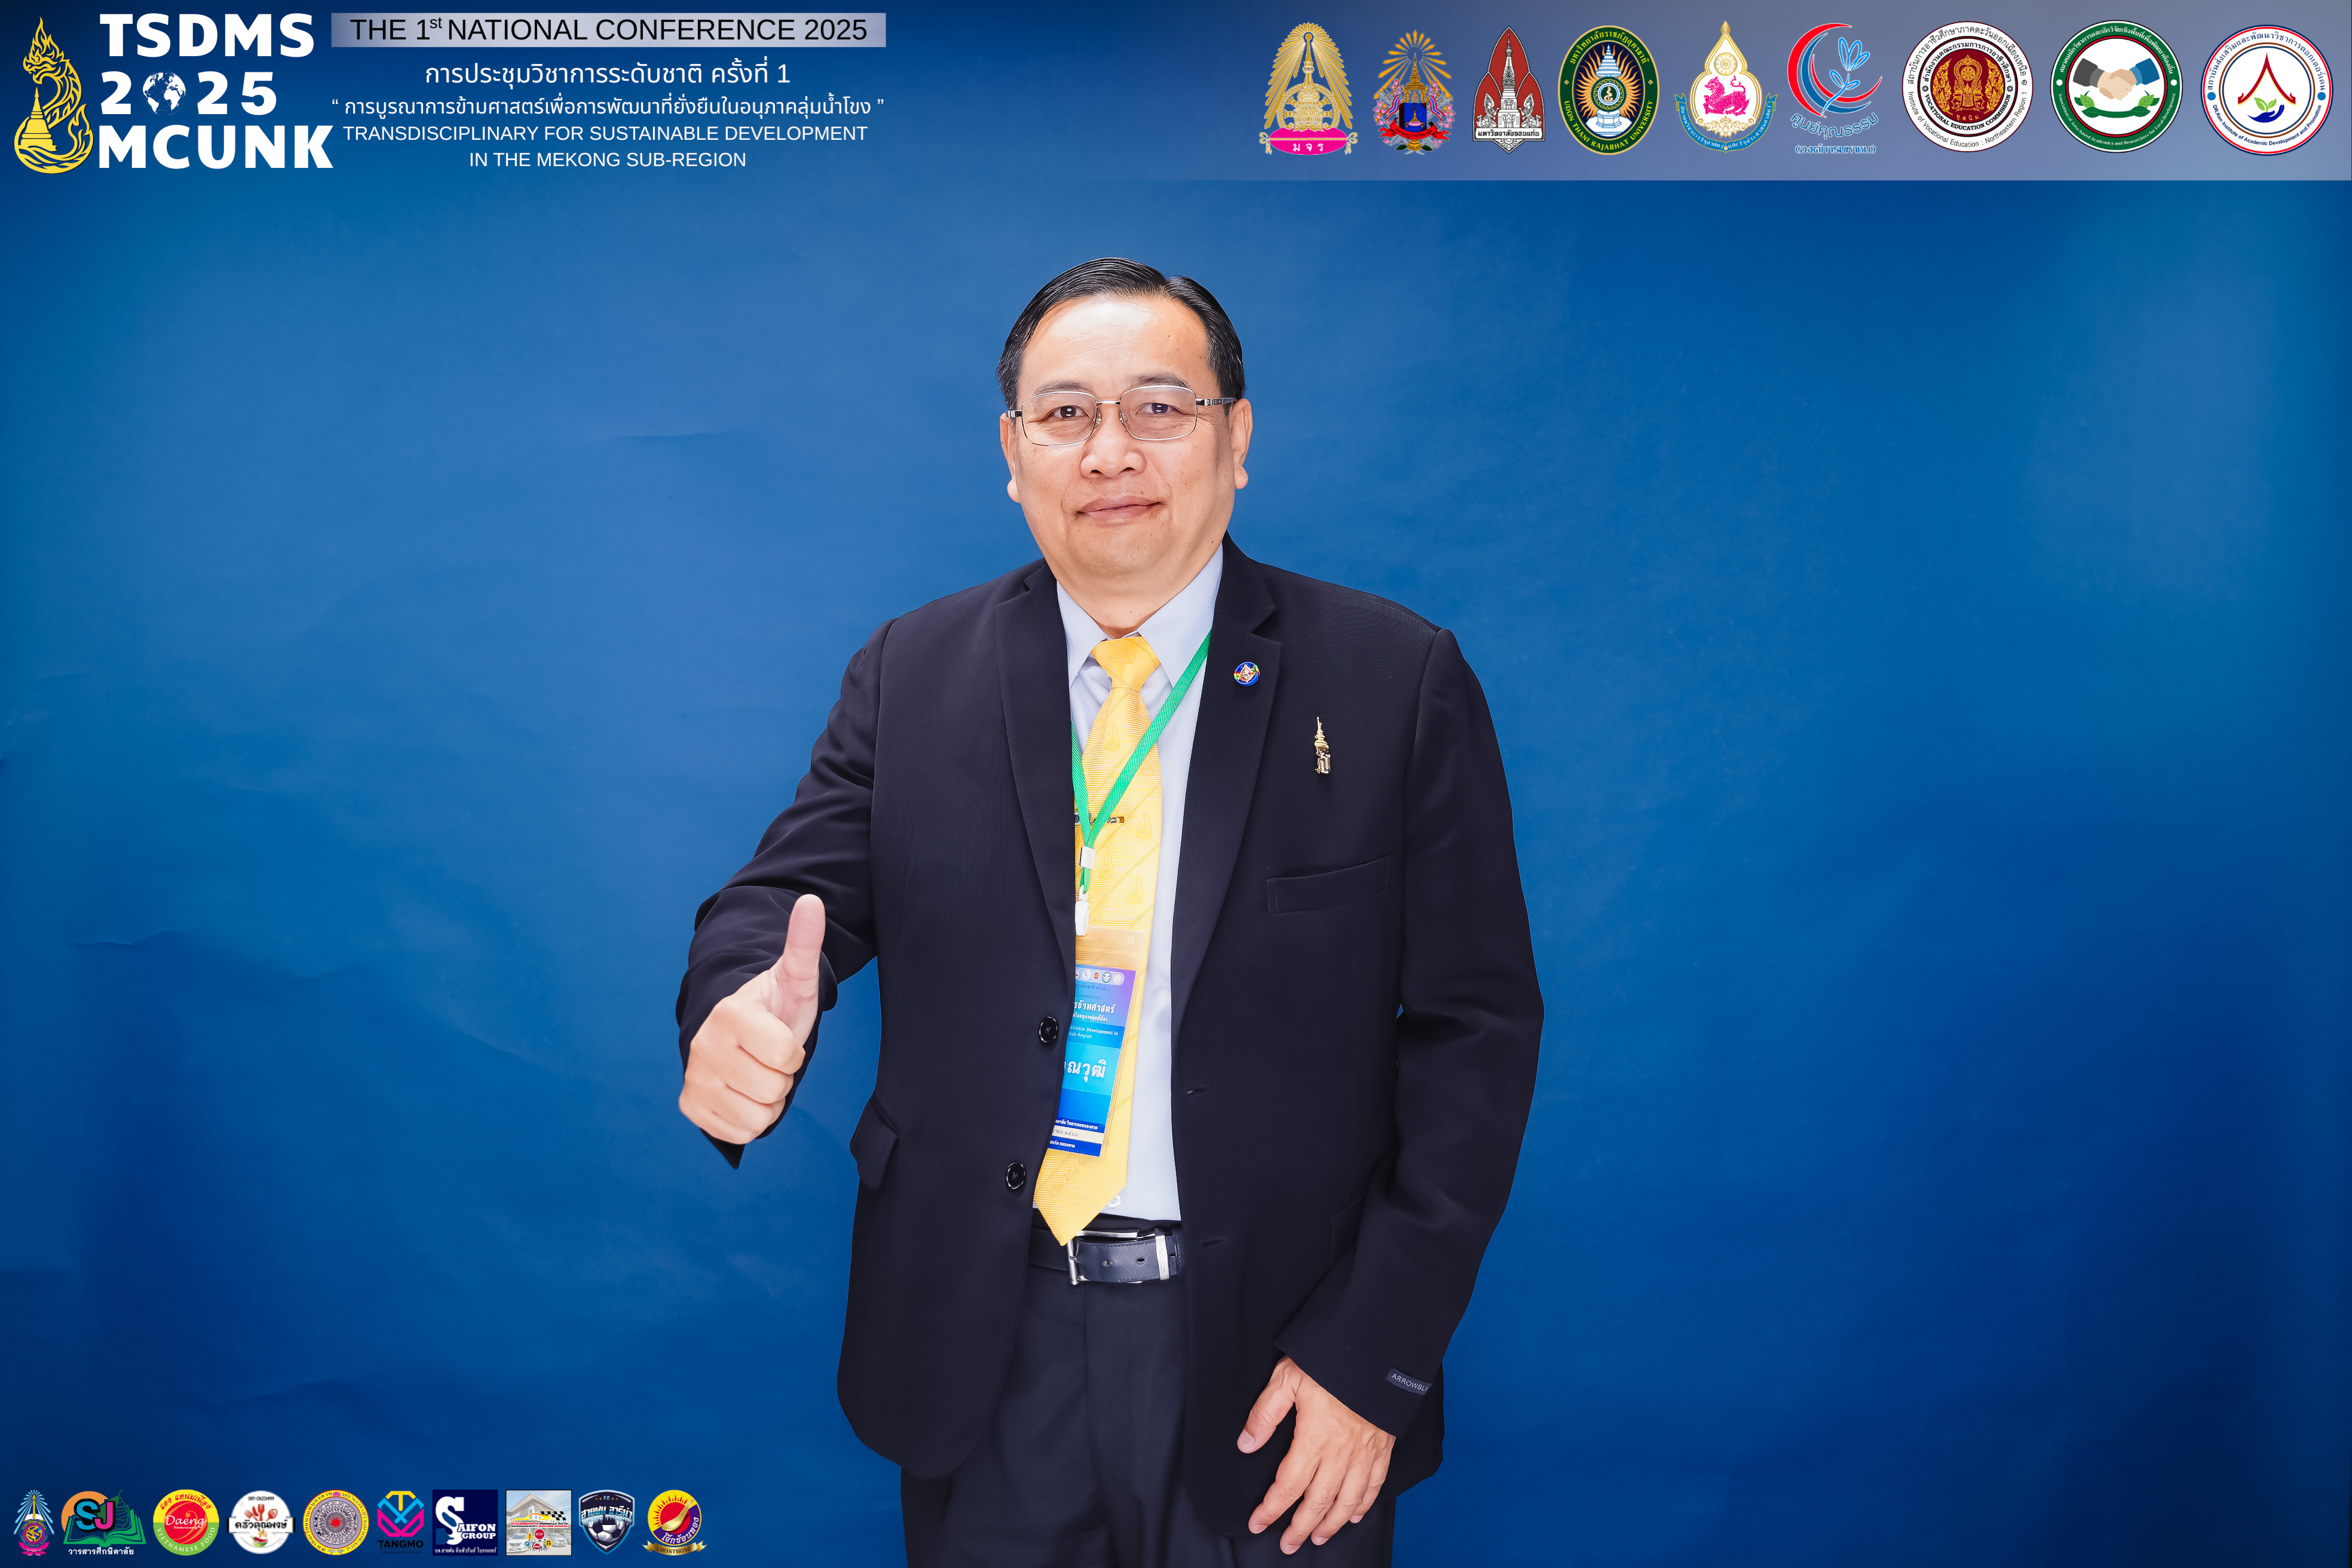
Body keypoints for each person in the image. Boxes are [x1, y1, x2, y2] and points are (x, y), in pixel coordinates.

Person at [675, 258, 1542, 1566]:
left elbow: (1478, 1034)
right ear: (1013, 454)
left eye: (1160, 407)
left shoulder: (1391, 679)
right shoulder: (913, 672)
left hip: (1281, 1350)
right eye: (1066, 414)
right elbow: (782, 900)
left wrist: (1376, 1354)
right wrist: (736, 1000)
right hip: (988, 1340)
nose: (1111, 451)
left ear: (1237, 439)